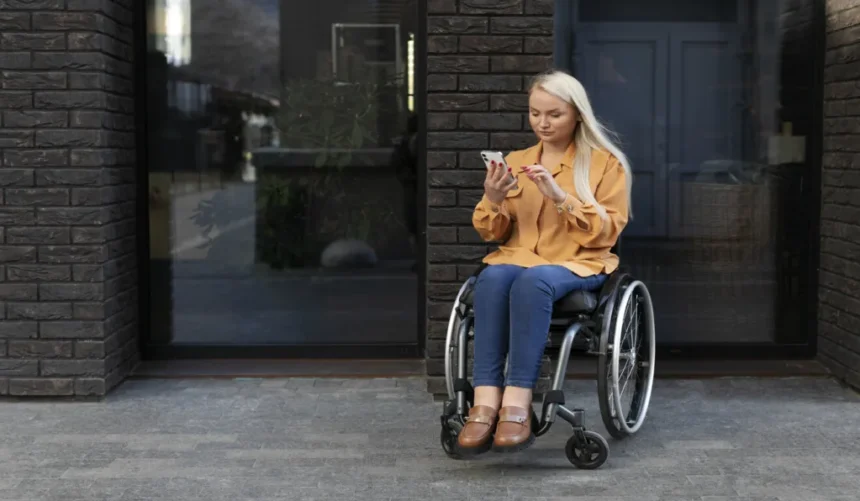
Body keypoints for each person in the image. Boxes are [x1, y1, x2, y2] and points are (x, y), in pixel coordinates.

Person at [456, 70, 633, 455]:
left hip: (576, 262)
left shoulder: (605, 165)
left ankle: (517, 403)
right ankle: (484, 403)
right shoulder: (517, 161)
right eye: (535, 113)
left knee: (532, 281)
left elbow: (606, 232)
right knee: (493, 276)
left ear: (577, 115)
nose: (542, 122)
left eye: (554, 114)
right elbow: (493, 233)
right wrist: (493, 197)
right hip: (519, 257)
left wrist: (559, 195)